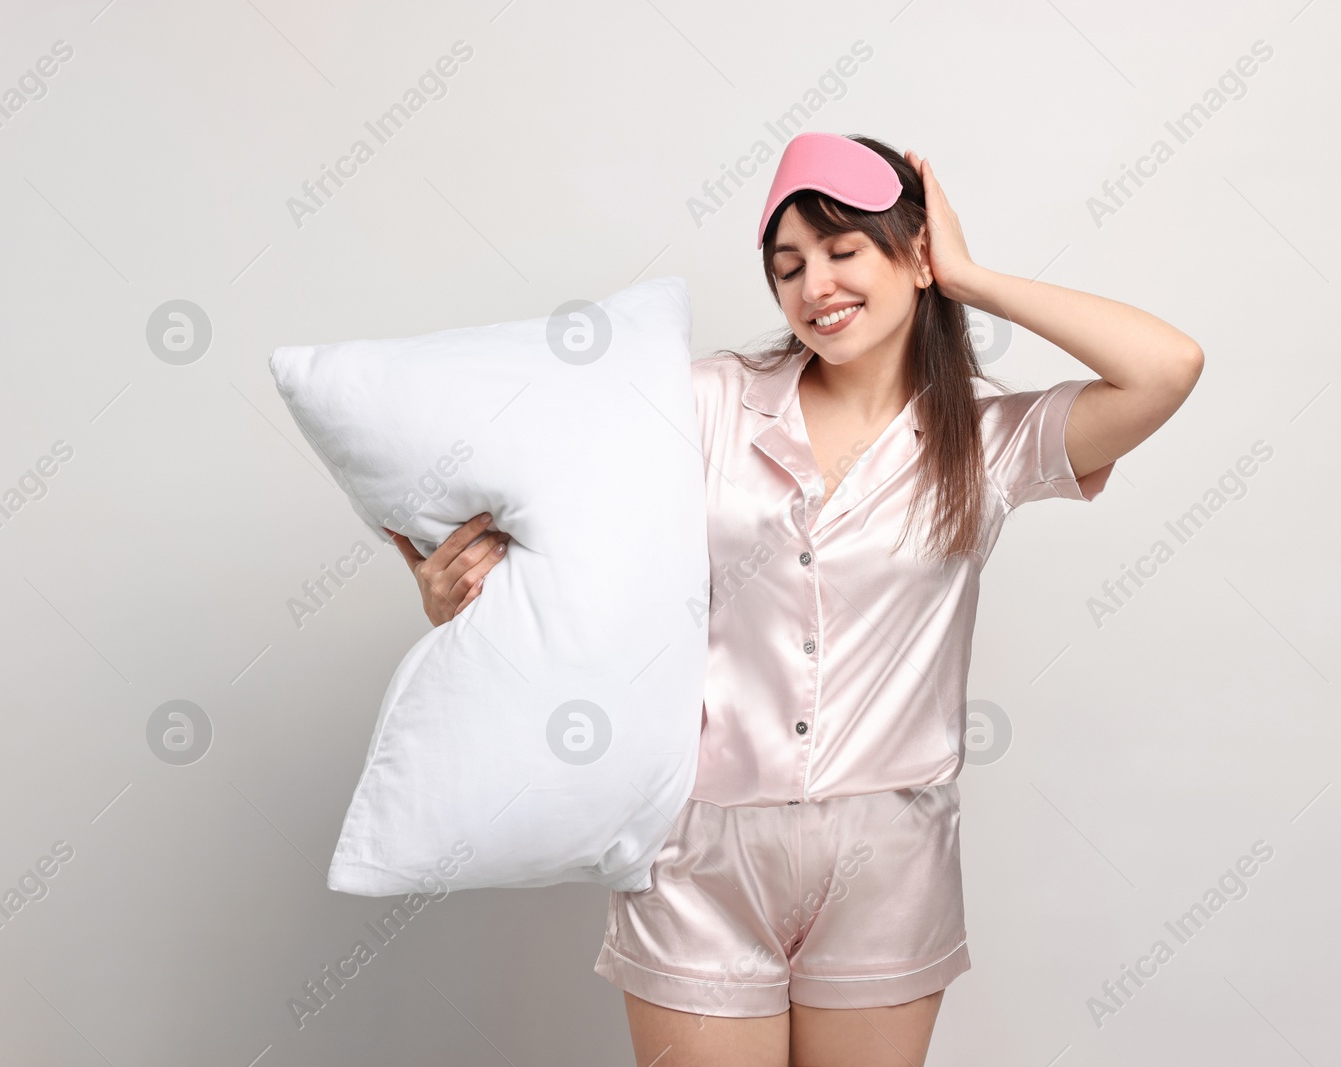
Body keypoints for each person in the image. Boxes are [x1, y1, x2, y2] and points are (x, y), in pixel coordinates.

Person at [386, 133, 1202, 1066]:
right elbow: (563, 542)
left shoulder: (982, 439)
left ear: (914, 254)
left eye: (844, 249)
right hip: (699, 852)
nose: (815, 285)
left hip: (888, 859)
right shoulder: (703, 404)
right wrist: (462, 596)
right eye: (788, 266)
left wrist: (970, 276)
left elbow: (1168, 366)